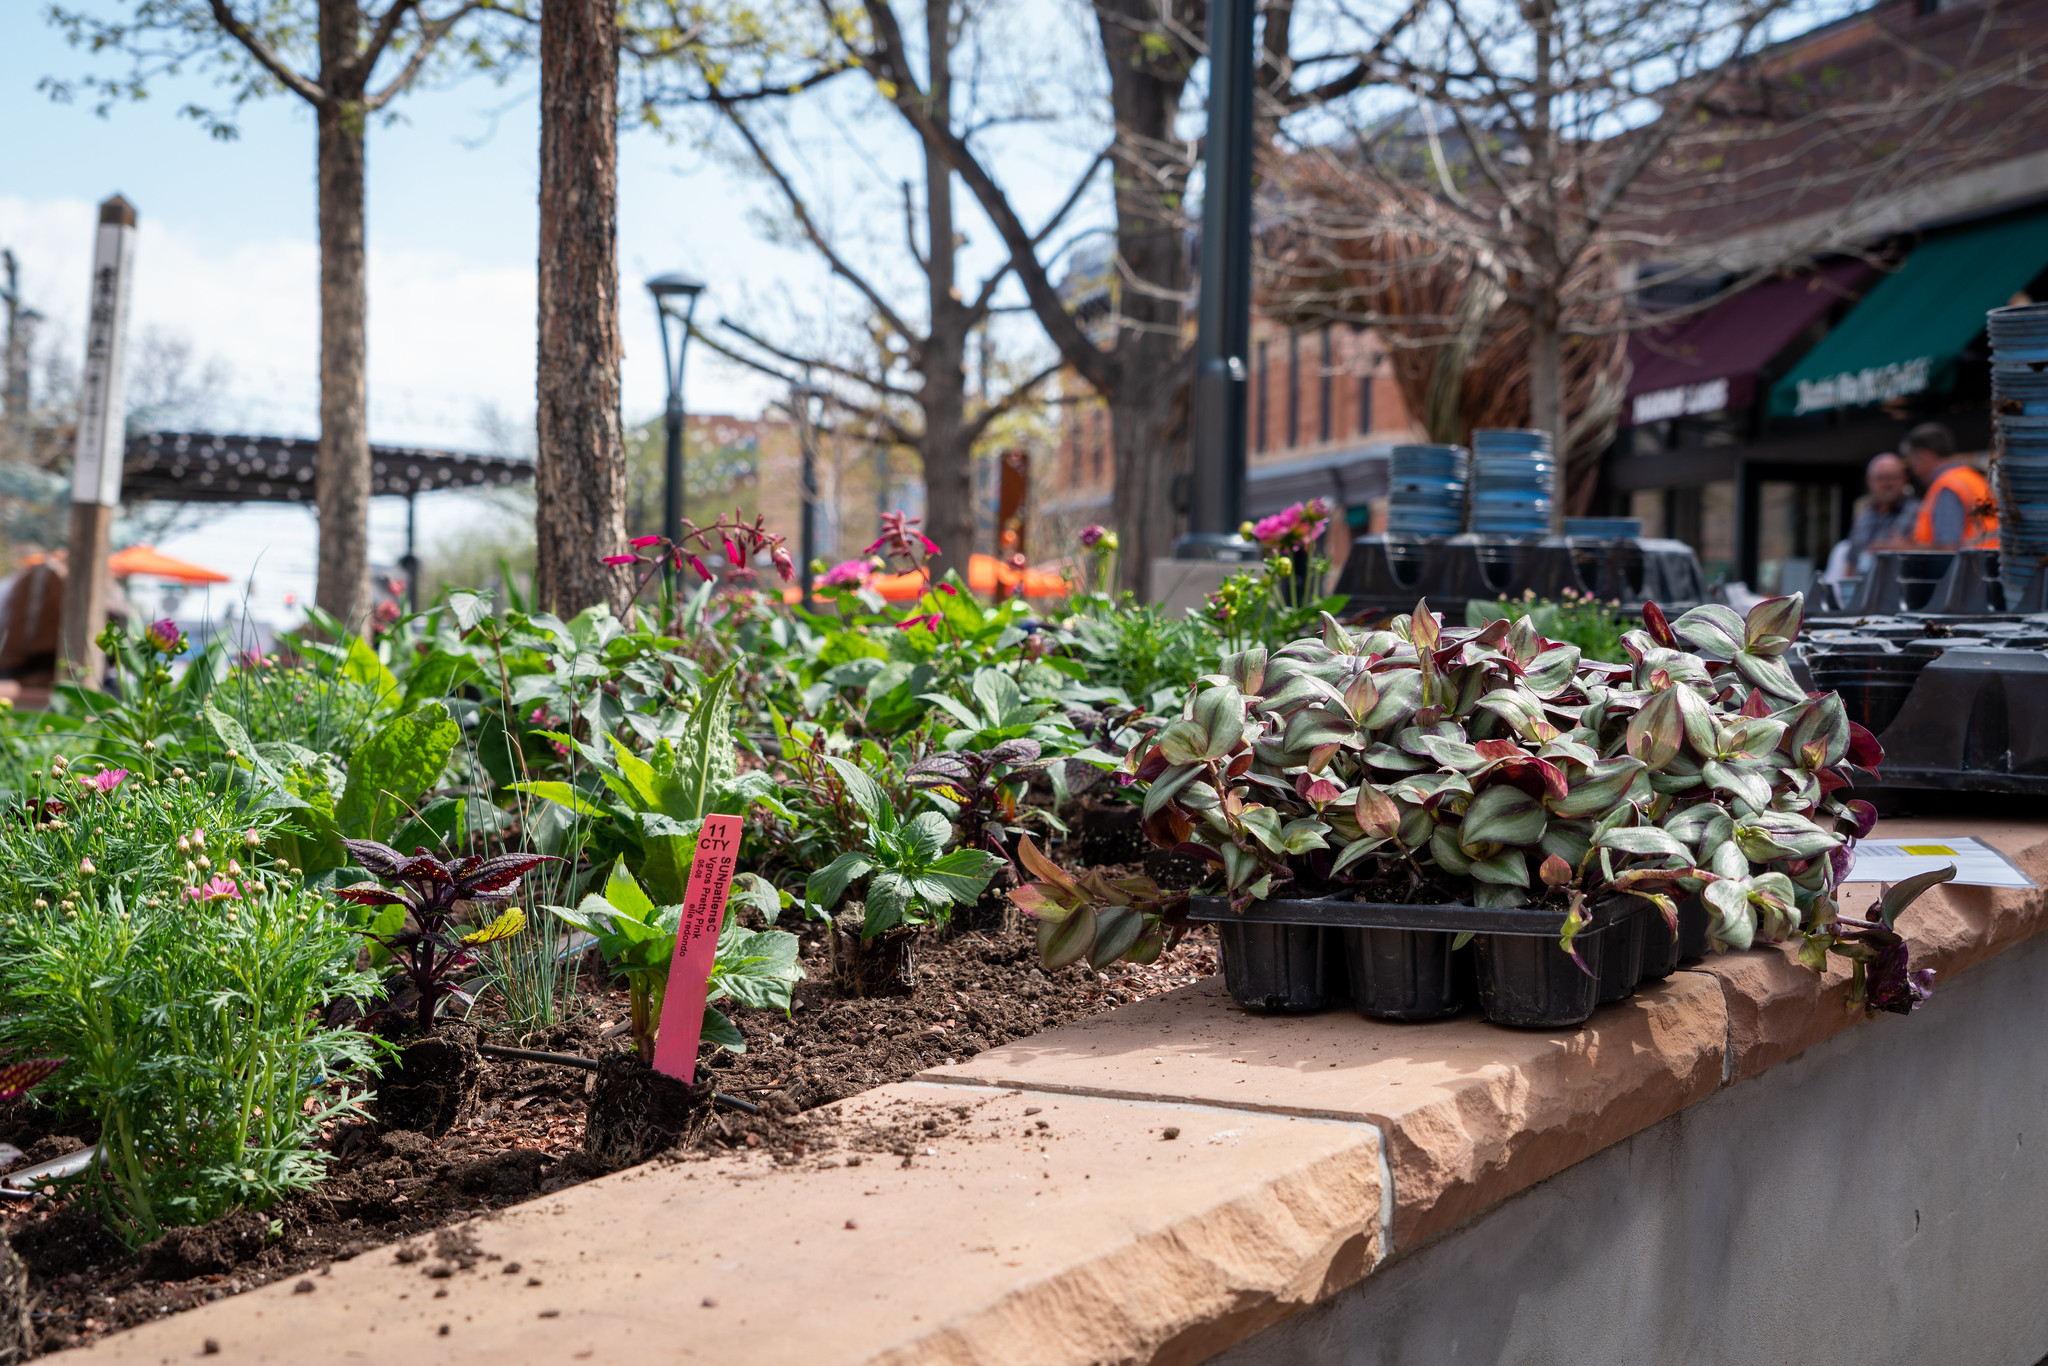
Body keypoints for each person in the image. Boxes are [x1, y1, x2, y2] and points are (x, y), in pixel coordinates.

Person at [1902, 422, 1998, 550]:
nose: (1913, 471)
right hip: (1989, 559)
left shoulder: (1947, 487)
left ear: (1923, 455)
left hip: (1971, 562)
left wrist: (1907, 549)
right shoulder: (1972, 477)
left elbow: (1947, 549)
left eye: (1911, 461)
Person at [1842, 452, 1920, 574]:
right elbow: (1851, 562)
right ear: (1869, 481)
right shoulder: (1863, 515)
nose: (1887, 483)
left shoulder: (1920, 512)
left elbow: (1934, 553)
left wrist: (1906, 550)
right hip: (1863, 584)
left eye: (1893, 477)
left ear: (1905, 479)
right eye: (1880, 478)